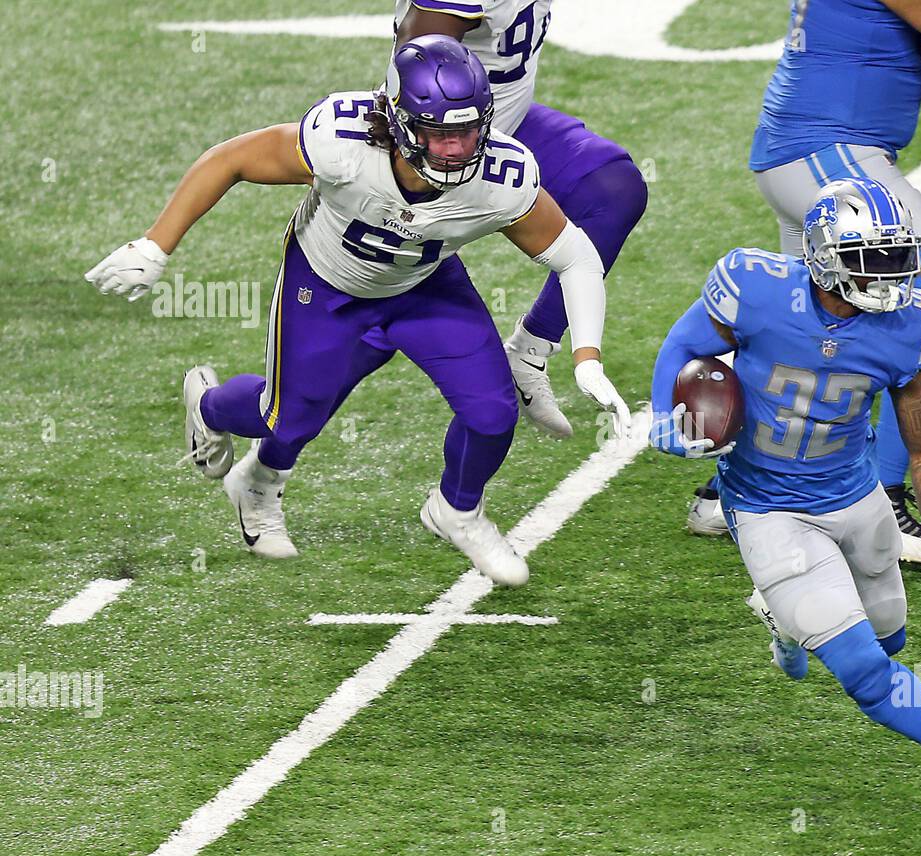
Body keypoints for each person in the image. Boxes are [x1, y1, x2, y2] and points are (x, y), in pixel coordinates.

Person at [85, 37, 629, 584]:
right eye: (438, 133)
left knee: (491, 412)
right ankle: (211, 408)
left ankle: (457, 511)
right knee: (289, 418)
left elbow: (576, 257)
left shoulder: (501, 177)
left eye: (467, 131)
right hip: (326, 289)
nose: (456, 150)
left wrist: (585, 357)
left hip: (425, 286)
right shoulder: (342, 141)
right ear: (396, 120)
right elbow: (231, 161)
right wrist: (156, 244)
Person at [650, 178, 921, 830]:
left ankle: (782, 617)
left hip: (856, 496)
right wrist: (667, 415)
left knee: (891, 641)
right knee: (866, 674)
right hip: (769, 508)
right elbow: (684, 347)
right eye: (873, 259)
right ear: (825, 257)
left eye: (897, 256)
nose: (891, 275)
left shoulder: (907, 321)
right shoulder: (754, 286)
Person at [685, 0, 921, 564]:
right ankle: (881, 495)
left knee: (798, 338)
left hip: (805, 146)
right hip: (827, 151)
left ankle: (727, 492)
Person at [338, 1, 649, 441]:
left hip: (502, 128)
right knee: (371, 328)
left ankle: (529, 351)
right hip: (440, 151)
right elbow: (415, 64)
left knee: (612, 189)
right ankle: (261, 457)